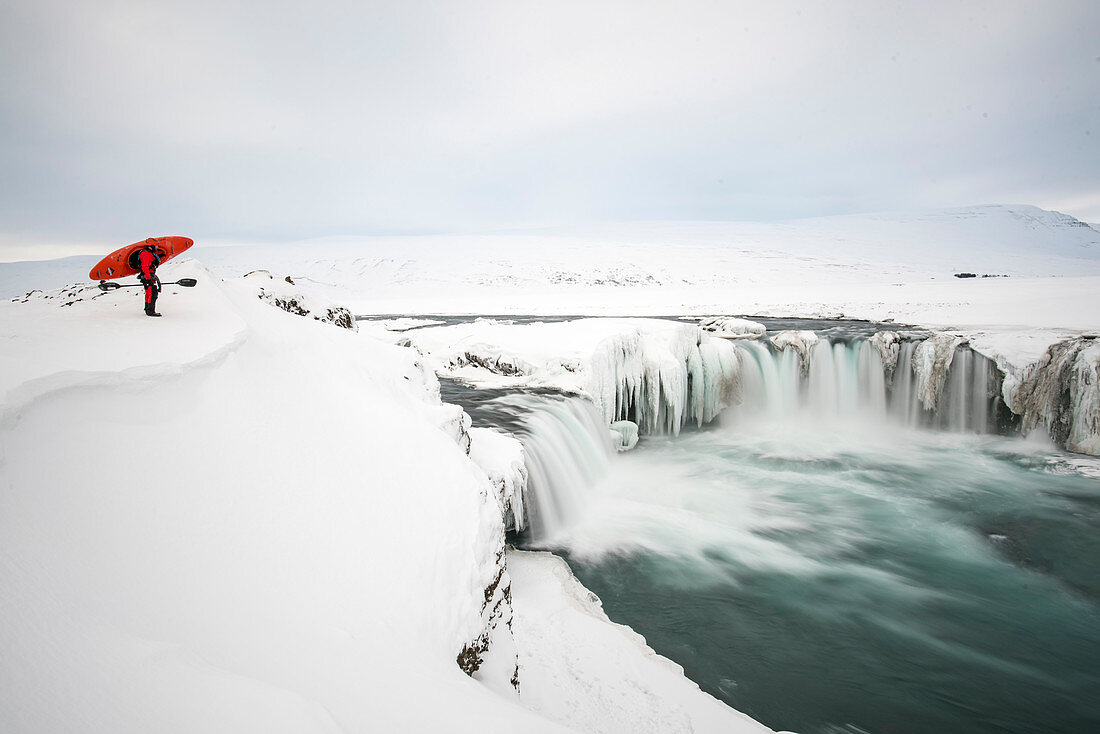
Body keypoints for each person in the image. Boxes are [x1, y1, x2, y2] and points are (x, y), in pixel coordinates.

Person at [137, 239, 162, 317]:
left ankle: (148, 309)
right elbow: (145, 267)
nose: (157, 247)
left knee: (149, 293)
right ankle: (150, 311)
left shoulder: (148, 253)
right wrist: (148, 278)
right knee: (152, 293)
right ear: (151, 246)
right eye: (156, 246)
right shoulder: (146, 254)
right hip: (148, 276)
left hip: (149, 276)